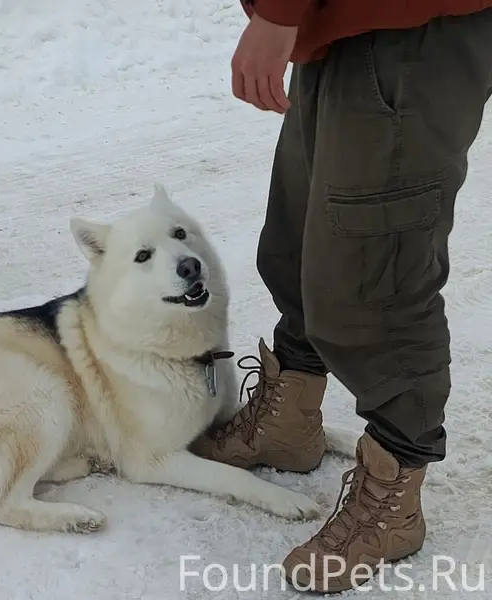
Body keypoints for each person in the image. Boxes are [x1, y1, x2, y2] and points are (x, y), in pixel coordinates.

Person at [190, 0, 492, 593]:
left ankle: (394, 496)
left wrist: (278, 13)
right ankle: (289, 421)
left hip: (414, 23)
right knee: (299, 239)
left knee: (376, 276)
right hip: (343, 18)